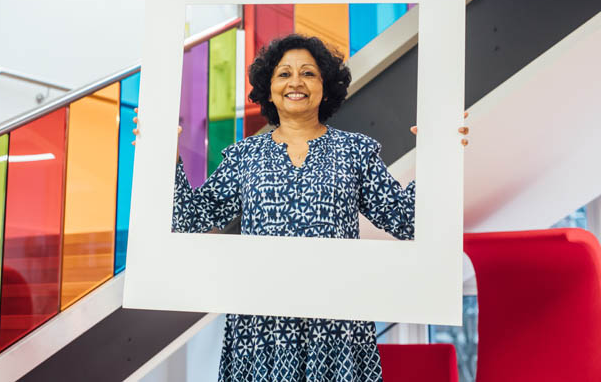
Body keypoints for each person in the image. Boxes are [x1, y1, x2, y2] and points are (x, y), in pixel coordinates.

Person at [134, 33, 468, 382]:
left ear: (326, 86)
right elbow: (190, 218)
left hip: (336, 326)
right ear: (269, 87)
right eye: (284, 74)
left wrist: (440, 153)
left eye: (308, 73)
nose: (296, 82)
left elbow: (408, 220)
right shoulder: (244, 156)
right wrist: (162, 149)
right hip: (261, 330)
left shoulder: (355, 151)